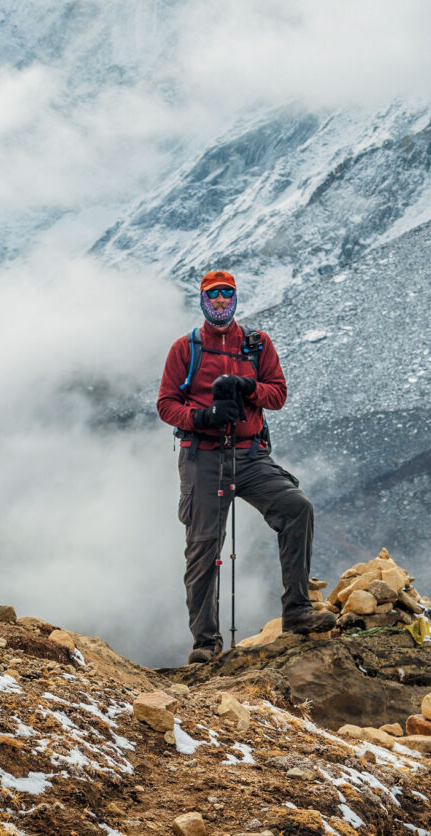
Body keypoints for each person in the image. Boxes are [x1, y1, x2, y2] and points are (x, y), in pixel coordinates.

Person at [157, 269, 337, 663]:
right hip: (203, 456)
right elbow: (166, 404)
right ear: (203, 301)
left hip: (249, 454)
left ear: (235, 299)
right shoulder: (185, 349)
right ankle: (205, 644)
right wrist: (203, 417)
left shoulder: (257, 346)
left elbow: (278, 394)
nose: (220, 301)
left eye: (226, 295)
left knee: (296, 508)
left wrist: (247, 388)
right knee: (204, 547)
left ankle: (297, 612)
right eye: (212, 296)